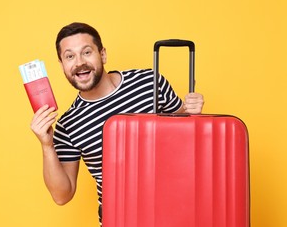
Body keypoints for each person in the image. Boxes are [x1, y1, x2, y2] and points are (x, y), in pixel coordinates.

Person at [30, 22, 204, 225]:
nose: (79, 62)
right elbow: (62, 195)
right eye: (70, 56)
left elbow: (184, 134)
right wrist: (46, 145)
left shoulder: (149, 82)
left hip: (174, 210)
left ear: (102, 54)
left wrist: (190, 111)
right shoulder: (69, 123)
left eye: (87, 52)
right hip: (120, 217)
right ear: (62, 66)